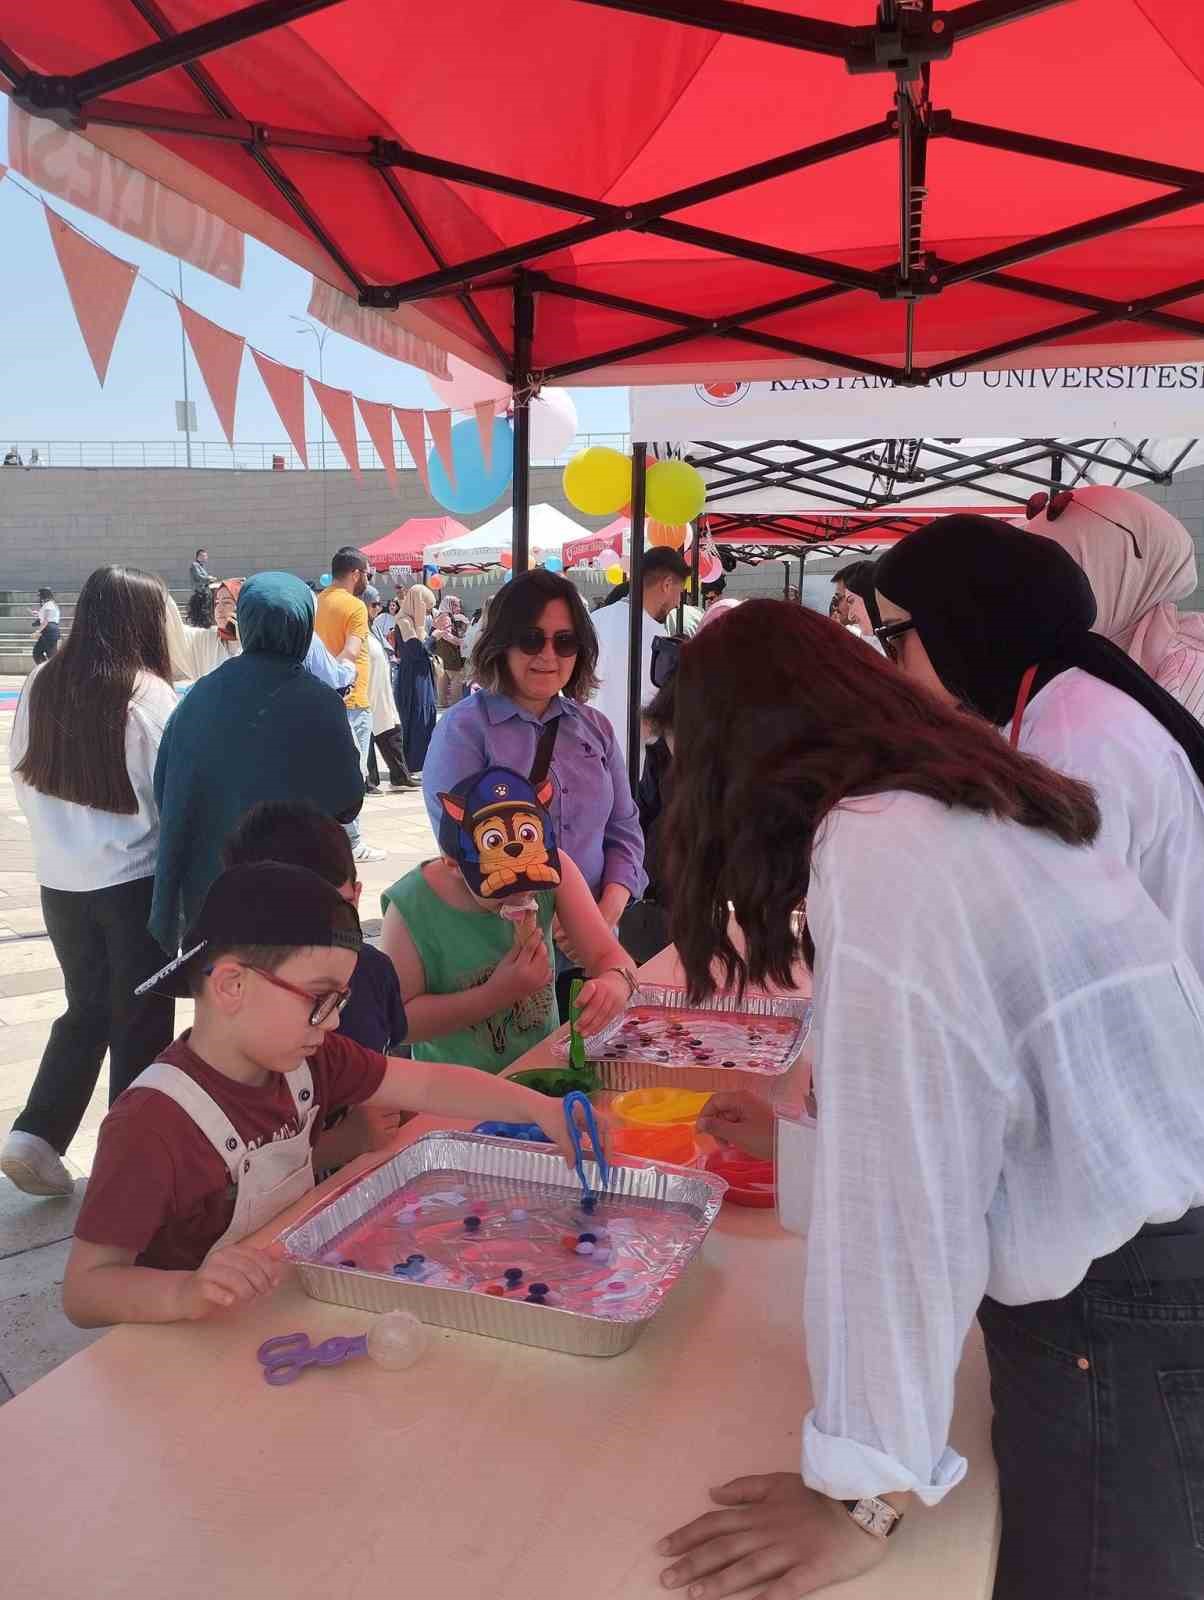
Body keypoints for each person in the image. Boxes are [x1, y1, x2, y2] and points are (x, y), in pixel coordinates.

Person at [655, 600, 1204, 1600]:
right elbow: (962, 1109)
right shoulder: (948, 807)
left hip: (1126, 1308)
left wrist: (864, 1491)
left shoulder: (882, 848)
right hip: (1148, 1274)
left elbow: (901, 1199)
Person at [62, 862, 580, 1328]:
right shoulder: (152, 1124)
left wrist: (538, 1108)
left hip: (280, 1310)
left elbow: (427, 1083)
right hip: (190, 1347)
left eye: (340, 1001)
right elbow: (86, 1290)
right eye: (319, 1000)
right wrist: (185, 1291)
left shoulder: (309, 1060)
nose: (332, 1022)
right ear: (231, 986)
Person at [875, 515, 1204, 984]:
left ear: (956, 624)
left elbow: (1056, 948)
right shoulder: (1063, 700)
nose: (894, 666)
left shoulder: (1074, 738)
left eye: (894, 638)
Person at [1, 567, 177, 1198]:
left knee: (87, 1009)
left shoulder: (43, 681)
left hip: (60, 884)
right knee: (141, 1020)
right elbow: (171, 796)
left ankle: (36, 1136)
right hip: (133, 883)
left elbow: (23, 774)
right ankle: (129, 1163)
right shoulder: (148, 695)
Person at [422, 569, 646, 997]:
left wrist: (599, 918)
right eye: (531, 639)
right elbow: (461, 849)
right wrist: (545, 918)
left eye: (564, 641)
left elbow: (624, 831)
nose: (548, 654)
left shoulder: (595, 729)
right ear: (502, 643)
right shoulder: (466, 730)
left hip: (595, 958)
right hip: (508, 963)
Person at [149, 571, 365, 953]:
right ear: (303, 626)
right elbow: (348, 798)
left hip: (214, 894)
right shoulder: (319, 702)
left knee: (225, 996)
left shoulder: (201, 696)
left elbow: (166, 784)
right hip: (297, 894)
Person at [381, 764, 636, 1071]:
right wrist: (495, 995)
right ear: (453, 864)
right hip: (452, 1093)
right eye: (504, 886)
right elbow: (400, 1023)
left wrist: (616, 982)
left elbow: (609, 955)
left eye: (532, 885)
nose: (523, 897)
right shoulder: (410, 907)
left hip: (541, 1076)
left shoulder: (557, 872)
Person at [221, 801, 408, 1170]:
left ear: (356, 895)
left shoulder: (374, 971)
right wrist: (346, 1142)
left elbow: (400, 1076)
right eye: (293, 924)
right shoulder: (239, 1021)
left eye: (333, 912)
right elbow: (236, 1176)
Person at [1028, 485, 1204, 719]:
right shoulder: (1053, 653)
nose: (1046, 594)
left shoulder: (1186, 673)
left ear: (1128, 573)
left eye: (1069, 572)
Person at [312, 546, 385, 863]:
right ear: (355, 573)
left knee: (326, 770)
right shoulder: (355, 607)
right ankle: (352, 841)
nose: (367, 578)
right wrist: (338, 682)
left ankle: (330, 837)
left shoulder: (318, 601)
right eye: (366, 573)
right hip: (351, 700)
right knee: (352, 773)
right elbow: (351, 653)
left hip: (321, 699)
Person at [589, 547, 690, 767]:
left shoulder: (593, 620)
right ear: (666, 585)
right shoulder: (657, 638)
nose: (677, 602)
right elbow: (657, 714)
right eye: (680, 592)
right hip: (629, 764)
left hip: (587, 754)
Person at [362, 586, 419, 792]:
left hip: (381, 688)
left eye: (379, 604)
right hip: (366, 689)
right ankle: (368, 781)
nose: (378, 609)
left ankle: (400, 776)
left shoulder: (373, 626)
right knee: (366, 734)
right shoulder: (357, 625)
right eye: (374, 604)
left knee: (391, 731)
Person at [392, 583, 438, 772]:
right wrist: (433, 637)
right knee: (416, 715)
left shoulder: (413, 623)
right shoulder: (404, 622)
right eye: (425, 607)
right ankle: (414, 762)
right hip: (412, 678)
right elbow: (416, 652)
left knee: (425, 715)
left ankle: (421, 761)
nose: (426, 612)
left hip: (420, 675)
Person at [430, 595, 469, 707]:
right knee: (457, 679)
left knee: (442, 681)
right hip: (449, 654)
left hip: (440, 655)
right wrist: (462, 641)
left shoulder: (438, 616)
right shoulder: (445, 617)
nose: (458, 608)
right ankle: (456, 706)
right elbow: (447, 636)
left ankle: (442, 705)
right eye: (456, 605)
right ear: (449, 605)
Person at [30, 586, 61, 662]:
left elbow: (46, 620)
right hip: (52, 630)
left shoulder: (48, 605)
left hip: (49, 631)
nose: (39, 598)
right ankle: (49, 670)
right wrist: (38, 614)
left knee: (37, 653)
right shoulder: (52, 604)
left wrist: (37, 632)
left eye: (40, 595)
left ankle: (47, 671)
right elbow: (49, 617)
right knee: (50, 655)